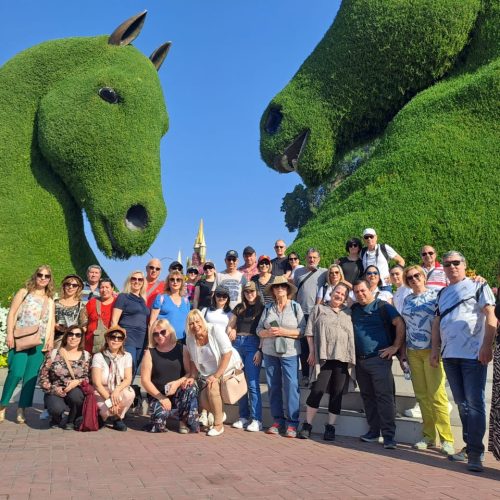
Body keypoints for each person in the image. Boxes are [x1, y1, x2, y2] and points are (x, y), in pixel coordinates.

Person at [431, 251, 496, 472]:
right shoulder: (442, 293)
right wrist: (434, 349)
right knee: (462, 404)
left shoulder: (478, 286)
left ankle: (476, 454)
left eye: (456, 263)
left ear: (464, 264)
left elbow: (491, 316)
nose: (452, 267)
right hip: (450, 356)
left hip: (473, 355)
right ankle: (470, 446)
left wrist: (487, 346)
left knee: (475, 404)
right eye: (447, 264)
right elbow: (437, 321)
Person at [401, 265, 454, 455]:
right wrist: (402, 352)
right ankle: (429, 436)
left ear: (424, 277)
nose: (414, 279)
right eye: (410, 278)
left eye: (417, 275)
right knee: (422, 396)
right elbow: (404, 326)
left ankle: (447, 439)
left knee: (437, 395)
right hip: (413, 351)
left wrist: (437, 349)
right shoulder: (407, 299)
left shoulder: (436, 296)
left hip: (432, 351)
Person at [350, 279, 405, 449]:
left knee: (384, 397)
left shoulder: (382, 307)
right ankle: (373, 432)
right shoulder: (354, 309)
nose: (360, 294)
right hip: (360, 360)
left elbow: (399, 323)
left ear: (370, 290)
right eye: (357, 292)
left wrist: (395, 347)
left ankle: (389, 436)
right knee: (368, 397)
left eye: (363, 290)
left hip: (379, 359)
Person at [298, 283, 355, 441]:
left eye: (343, 294)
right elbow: (309, 332)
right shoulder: (319, 309)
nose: (339, 295)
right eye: (337, 292)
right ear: (332, 292)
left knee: (337, 394)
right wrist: (311, 351)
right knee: (317, 390)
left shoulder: (349, 312)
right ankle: (307, 425)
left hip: (343, 358)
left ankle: (330, 427)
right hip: (323, 357)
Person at [0, 265, 55, 425]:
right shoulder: (24, 293)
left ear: (50, 279)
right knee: (16, 372)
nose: (43, 278)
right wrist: (9, 334)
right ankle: (3, 405)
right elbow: (12, 314)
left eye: (46, 276)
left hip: (39, 341)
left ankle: (21, 408)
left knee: (31, 376)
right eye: (40, 275)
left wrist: (50, 340)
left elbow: (51, 322)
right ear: (35, 275)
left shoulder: (50, 300)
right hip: (21, 338)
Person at [257, 276, 306, 438]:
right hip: (270, 352)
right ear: (272, 291)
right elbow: (258, 330)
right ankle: (277, 421)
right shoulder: (268, 307)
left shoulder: (295, 307)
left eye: (282, 287)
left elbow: (303, 331)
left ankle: (292, 423)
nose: (279, 289)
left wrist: (284, 332)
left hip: (290, 353)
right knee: (273, 386)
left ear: (287, 289)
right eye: (276, 287)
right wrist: (267, 332)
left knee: (292, 386)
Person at [183, 309, 243, 437]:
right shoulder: (189, 338)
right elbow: (193, 359)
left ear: (202, 320)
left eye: (197, 321)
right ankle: (219, 414)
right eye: (191, 324)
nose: (195, 326)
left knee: (212, 386)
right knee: (203, 400)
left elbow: (227, 353)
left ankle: (218, 425)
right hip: (207, 373)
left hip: (227, 367)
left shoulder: (214, 330)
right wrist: (193, 376)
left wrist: (216, 376)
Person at [141, 319, 199, 433]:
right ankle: (162, 417)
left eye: (163, 332)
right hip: (159, 395)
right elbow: (145, 380)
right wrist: (161, 398)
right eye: (156, 334)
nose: (160, 336)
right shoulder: (150, 353)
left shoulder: (182, 349)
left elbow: (189, 373)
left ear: (170, 331)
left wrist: (176, 383)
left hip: (179, 393)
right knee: (158, 425)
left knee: (191, 387)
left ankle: (184, 421)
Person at [227, 281, 264, 432]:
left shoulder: (262, 308)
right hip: (237, 344)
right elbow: (230, 325)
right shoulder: (239, 307)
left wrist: (260, 350)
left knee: (253, 383)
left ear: (257, 292)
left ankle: (257, 419)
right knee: (240, 382)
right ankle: (243, 417)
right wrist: (232, 330)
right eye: (247, 292)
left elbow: (264, 329)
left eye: (252, 291)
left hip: (253, 344)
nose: (250, 294)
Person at [39, 325, 90, 429]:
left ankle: (71, 420)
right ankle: (56, 418)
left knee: (76, 396)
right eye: (70, 334)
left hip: (75, 390)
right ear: (66, 336)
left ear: (81, 338)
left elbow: (88, 378)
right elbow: (43, 377)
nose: (73, 337)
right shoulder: (53, 354)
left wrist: (77, 382)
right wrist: (54, 389)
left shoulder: (86, 356)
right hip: (55, 390)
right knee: (56, 408)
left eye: (77, 335)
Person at [91, 326, 135, 431]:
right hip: (102, 392)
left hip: (117, 390)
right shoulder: (98, 356)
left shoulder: (127, 356)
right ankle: (102, 416)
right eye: (113, 337)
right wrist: (110, 401)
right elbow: (97, 384)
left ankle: (117, 418)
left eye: (120, 338)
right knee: (106, 411)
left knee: (129, 394)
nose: (116, 340)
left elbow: (128, 379)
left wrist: (117, 390)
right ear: (107, 339)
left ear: (123, 341)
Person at [294, 248, 327, 382]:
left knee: (318, 345)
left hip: (317, 314)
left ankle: (318, 375)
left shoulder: (324, 272)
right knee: (304, 346)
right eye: (309, 257)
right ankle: (306, 375)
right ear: (306, 258)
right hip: (301, 314)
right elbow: (294, 290)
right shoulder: (298, 272)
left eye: (314, 257)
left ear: (318, 259)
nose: (312, 260)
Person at [111, 271, 149, 377]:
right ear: (129, 280)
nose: (137, 281)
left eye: (140, 279)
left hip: (141, 339)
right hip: (128, 338)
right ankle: (120, 391)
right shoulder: (123, 297)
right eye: (134, 278)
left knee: (135, 368)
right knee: (128, 367)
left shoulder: (142, 300)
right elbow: (114, 321)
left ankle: (127, 391)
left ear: (143, 282)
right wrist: (117, 339)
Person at [150, 270, 190, 342]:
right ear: (168, 282)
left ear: (182, 282)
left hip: (184, 341)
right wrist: (150, 344)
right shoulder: (161, 298)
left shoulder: (186, 301)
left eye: (178, 280)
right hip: (165, 341)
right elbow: (152, 322)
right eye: (172, 279)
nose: (175, 282)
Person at [54, 274, 87, 349]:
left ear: (78, 288)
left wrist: (73, 330)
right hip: (55, 340)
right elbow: (49, 321)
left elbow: (84, 327)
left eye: (74, 285)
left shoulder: (81, 306)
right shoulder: (55, 303)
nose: (70, 287)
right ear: (64, 285)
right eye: (68, 284)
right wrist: (56, 326)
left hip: (72, 343)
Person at [85, 278, 116, 353]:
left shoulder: (117, 303)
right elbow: (84, 320)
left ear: (112, 289)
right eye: (102, 287)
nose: (104, 290)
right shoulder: (92, 302)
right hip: (91, 344)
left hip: (111, 345)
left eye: (107, 287)